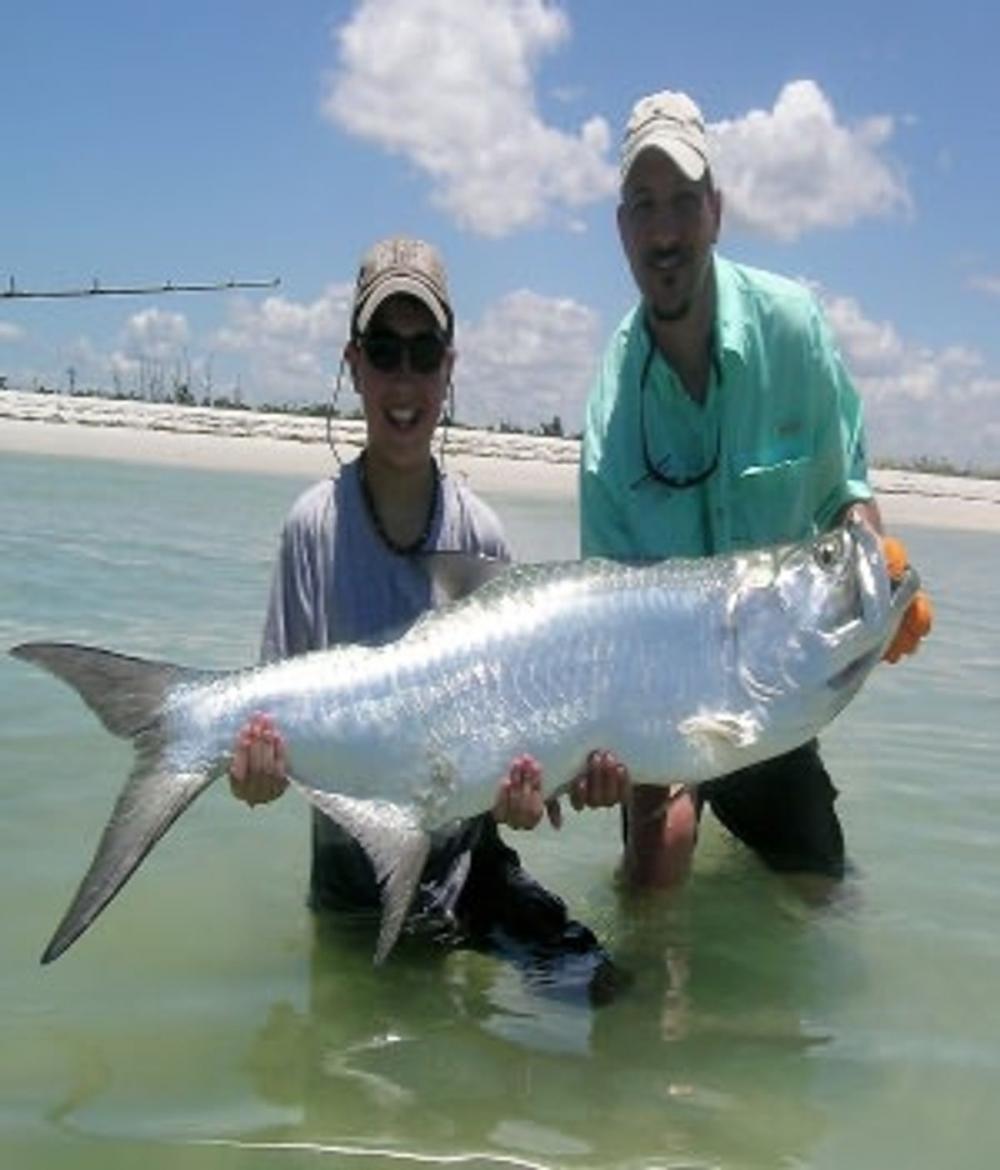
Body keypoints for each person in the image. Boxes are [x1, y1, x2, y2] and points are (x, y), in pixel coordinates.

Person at [228, 235, 615, 996]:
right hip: (349, 896)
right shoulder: (312, 529)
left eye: (423, 351)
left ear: (449, 367)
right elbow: (258, 770)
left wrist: (533, 801)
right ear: (353, 364)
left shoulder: (482, 539)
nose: (403, 379)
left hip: (470, 878)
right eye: (384, 349)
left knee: (605, 994)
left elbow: (512, 772)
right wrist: (254, 777)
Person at [569, 91, 933, 894]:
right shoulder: (609, 411)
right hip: (660, 701)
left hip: (775, 688)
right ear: (622, 227)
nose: (665, 233)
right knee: (656, 860)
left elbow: (846, 492)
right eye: (644, 208)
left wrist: (877, 554)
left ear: (718, 212)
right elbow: (605, 614)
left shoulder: (795, 331)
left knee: (821, 890)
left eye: (684, 204)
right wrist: (602, 749)